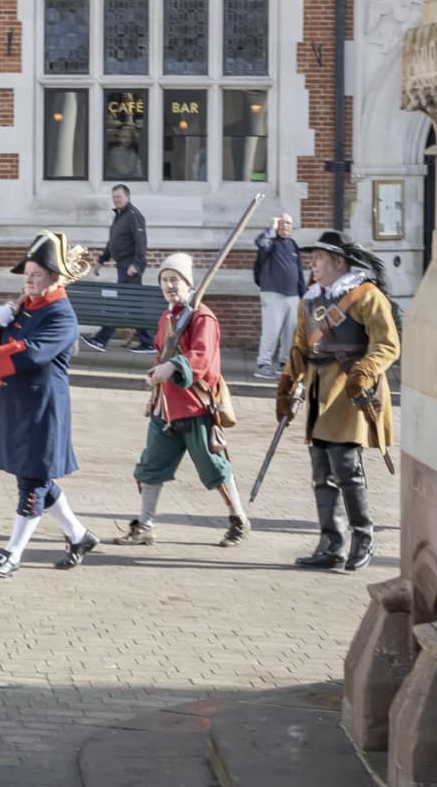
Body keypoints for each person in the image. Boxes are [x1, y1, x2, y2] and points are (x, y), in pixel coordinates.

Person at [0, 232, 100, 577]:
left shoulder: (62, 316)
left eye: (36, 274)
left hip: (42, 408)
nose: (28, 279)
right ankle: (79, 536)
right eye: (27, 273)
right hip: (16, 404)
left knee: (32, 482)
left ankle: (12, 553)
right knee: (35, 477)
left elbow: (31, 352)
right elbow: (2, 337)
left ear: (55, 278)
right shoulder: (25, 307)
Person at [278, 230, 401, 572]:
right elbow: (300, 346)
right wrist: (287, 382)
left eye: (318, 258)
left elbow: (387, 344)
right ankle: (331, 542)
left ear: (338, 261)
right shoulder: (311, 299)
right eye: (312, 258)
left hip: (350, 389)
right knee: (322, 472)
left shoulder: (366, 296)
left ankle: (363, 537)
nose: (312, 264)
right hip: (319, 391)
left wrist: (365, 370)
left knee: (347, 469)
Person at [110, 254, 250, 549]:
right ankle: (145, 526)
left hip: (196, 407)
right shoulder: (167, 317)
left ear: (188, 283)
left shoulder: (203, 318)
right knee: (150, 467)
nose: (170, 285)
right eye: (165, 280)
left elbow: (201, 357)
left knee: (214, 468)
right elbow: (162, 353)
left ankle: (238, 519)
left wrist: (173, 367)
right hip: (166, 408)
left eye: (175, 280)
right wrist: (156, 372)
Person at [83, 185, 151, 352]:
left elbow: (141, 241)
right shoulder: (120, 216)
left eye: (119, 197)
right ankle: (148, 342)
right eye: (114, 197)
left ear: (127, 197)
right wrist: (101, 260)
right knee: (134, 306)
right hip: (123, 266)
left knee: (118, 304)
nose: (116, 200)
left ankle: (100, 339)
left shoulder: (133, 215)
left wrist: (136, 264)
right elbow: (112, 242)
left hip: (130, 268)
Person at [251, 213, 304, 381]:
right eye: (282, 223)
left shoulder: (293, 245)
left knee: (290, 333)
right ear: (276, 225)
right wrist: (271, 228)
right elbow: (260, 242)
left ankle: (285, 363)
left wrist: (302, 295)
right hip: (273, 293)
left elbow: (299, 272)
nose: (285, 226)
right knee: (271, 331)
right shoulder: (270, 243)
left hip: (293, 295)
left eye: (289, 223)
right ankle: (263, 365)